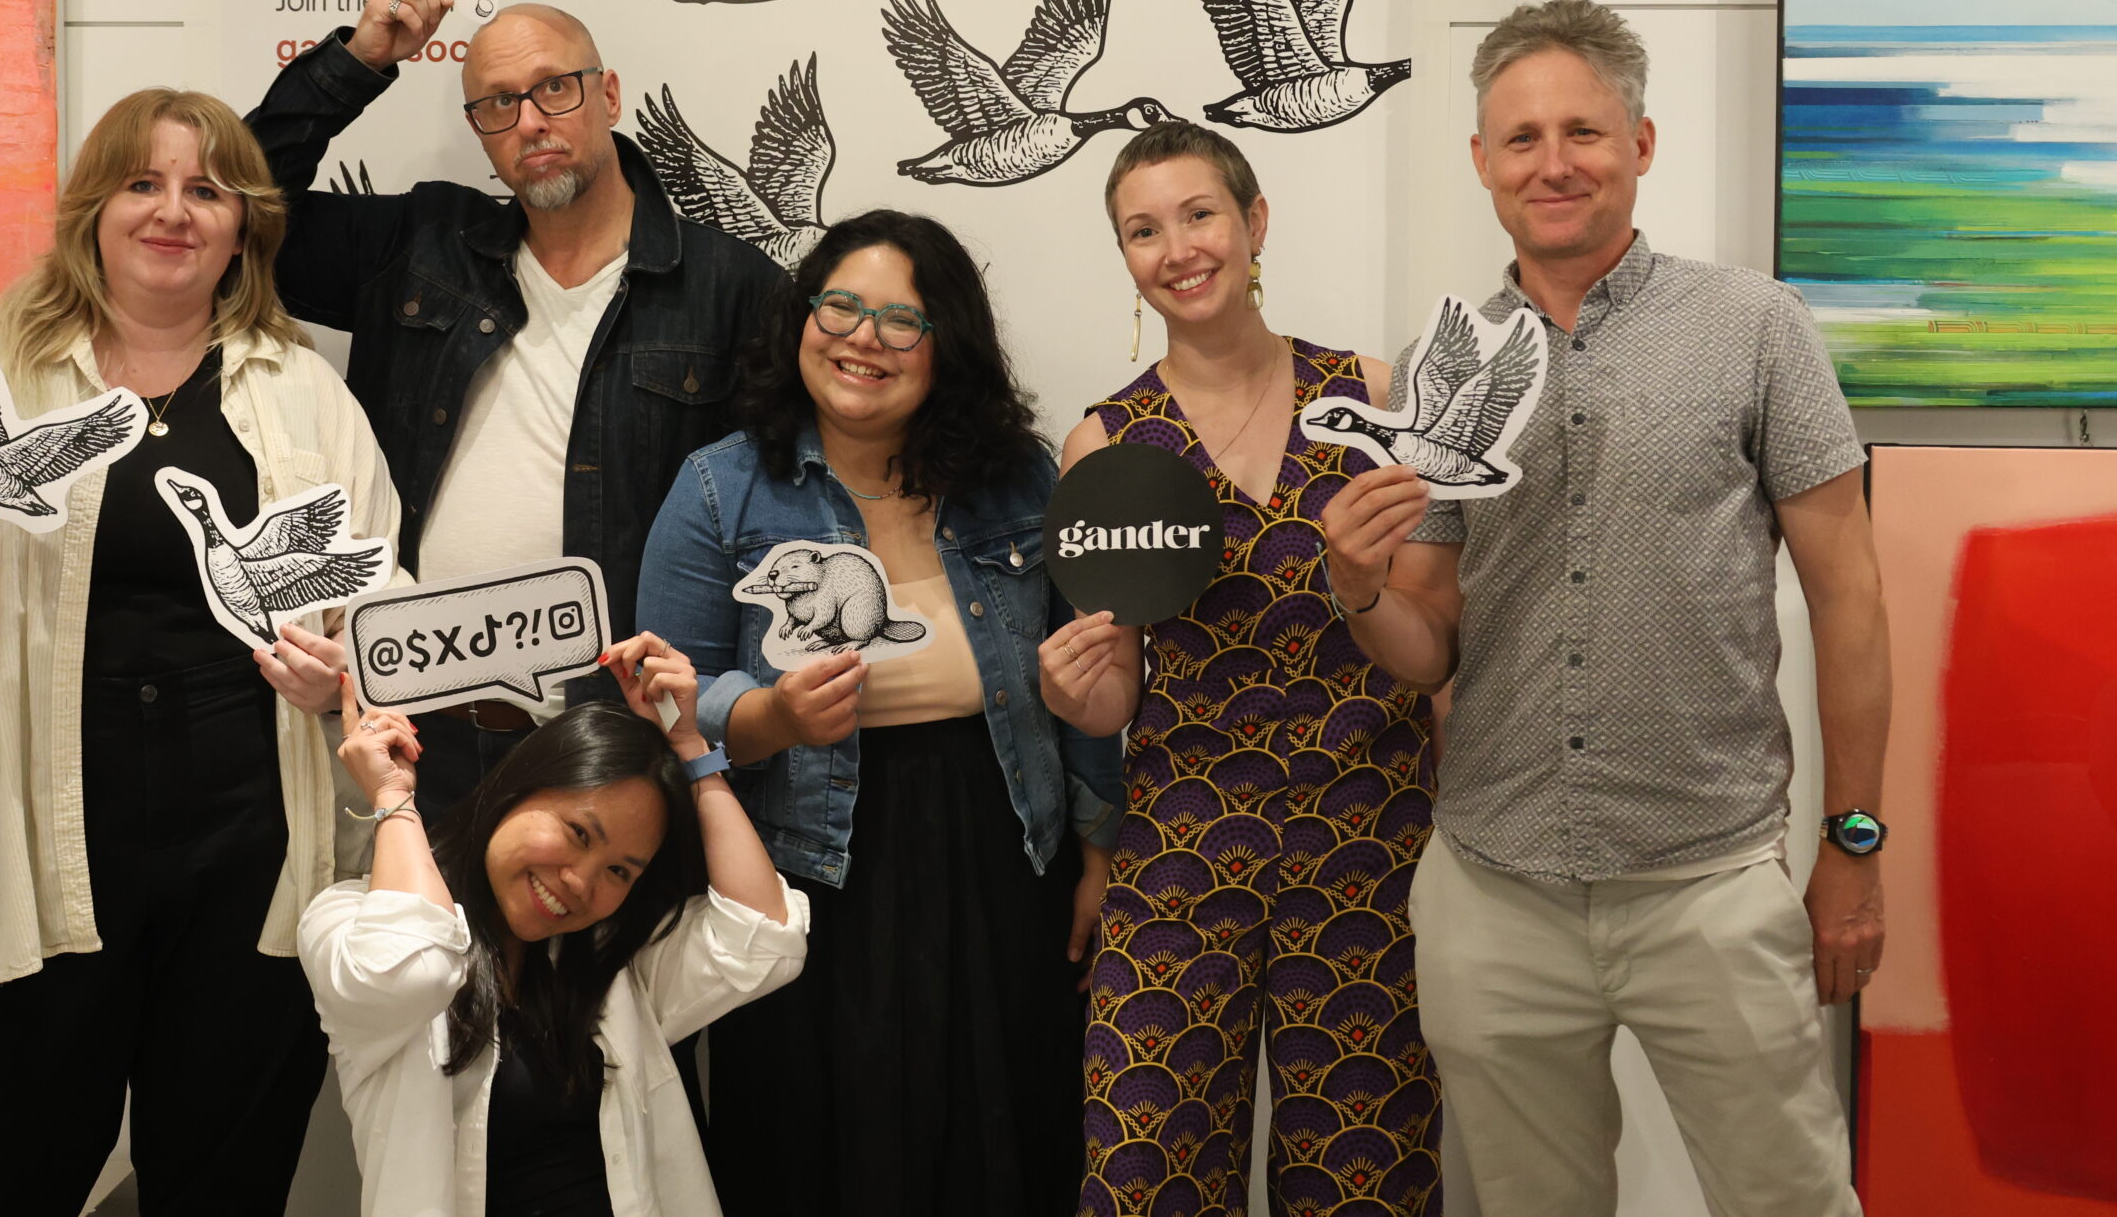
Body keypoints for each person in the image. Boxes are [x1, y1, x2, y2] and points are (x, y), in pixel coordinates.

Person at [1323, 0, 1889, 1217]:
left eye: (1582, 129)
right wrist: (1360, 589)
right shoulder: (1448, 364)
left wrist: (1852, 847)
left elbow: (1850, 598)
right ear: (1480, 162)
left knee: (1791, 1200)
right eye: (1518, 138)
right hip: (1495, 885)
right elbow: (1424, 646)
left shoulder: (1753, 328)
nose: (1552, 162)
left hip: (1708, 879)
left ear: (1641, 141)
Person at [0, 89, 400, 1216]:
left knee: (224, 1185)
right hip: (37, 861)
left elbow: (375, 619)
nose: (173, 212)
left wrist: (341, 685)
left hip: (251, 860)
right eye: (143, 183)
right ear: (93, 209)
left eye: (206, 189)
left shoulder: (306, 391)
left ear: (242, 227)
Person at [638, 209, 1129, 1217]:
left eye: (901, 321)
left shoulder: (1021, 476)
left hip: (999, 845)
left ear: (945, 347)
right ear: (800, 319)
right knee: (823, 1144)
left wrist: (1100, 846)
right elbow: (670, 691)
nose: (864, 338)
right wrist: (774, 715)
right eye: (841, 307)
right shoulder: (719, 488)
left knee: (1005, 1126)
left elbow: (1079, 680)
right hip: (806, 868)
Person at [245, 0, 786, 819]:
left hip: (615, 739)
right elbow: (239, 209)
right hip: (418, 729)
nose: (529, 120)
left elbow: (786, 513)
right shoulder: (425, 244)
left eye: (554, 89)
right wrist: (363, 56)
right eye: (497, 104)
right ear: (479, 130)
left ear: (607, 94)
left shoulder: (729, 286)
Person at [1054, 120, 1441, 1217]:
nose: (1175, 246)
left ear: (1254, 221)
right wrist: (1079, 692)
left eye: (1198, 213)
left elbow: (1433, 646)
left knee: (1365, 1179)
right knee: (1144, 1174)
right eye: (1142, 229)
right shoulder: (1104, 447)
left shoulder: (1371, 398)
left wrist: (1365, 588)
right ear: (1124, 256)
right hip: (1180, 845)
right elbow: (1115, 685)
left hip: (1367, 840)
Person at [303, 636, 805, 1217]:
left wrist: (691, 747)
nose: (580, 884)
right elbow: (413, 970)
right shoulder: (348, 922)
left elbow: (767, 937)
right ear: (516, 789)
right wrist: (393, 799)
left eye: (619, 870)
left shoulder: (610, 967)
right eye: (578, 834)